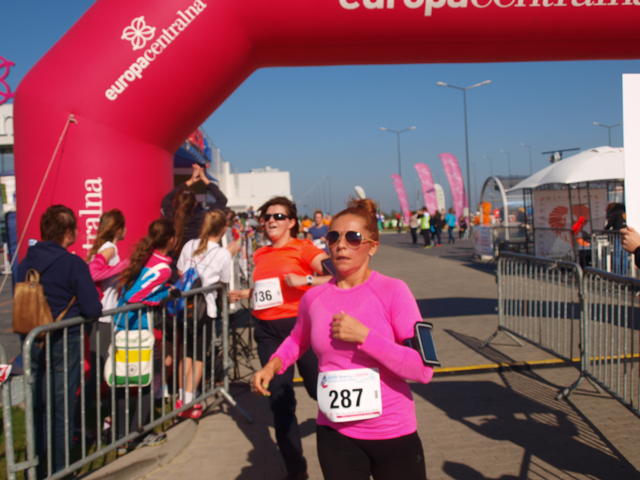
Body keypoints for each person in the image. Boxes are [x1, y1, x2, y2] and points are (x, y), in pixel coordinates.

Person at [252, 197, 434, 480]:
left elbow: (423, 369)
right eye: (333, 237)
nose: (341, 245)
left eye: (353, 237)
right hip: (335, 434)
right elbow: (297, 340)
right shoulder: (314, 298)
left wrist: (365, 337)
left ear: (372, 246)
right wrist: (272, 365)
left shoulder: (394, 291)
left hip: (392, 432)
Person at [229, 196, 330, 480]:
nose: (271, 220)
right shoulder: (261, 254)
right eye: (267, 217)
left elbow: (337, 275)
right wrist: (246, 293)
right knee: (280, 402)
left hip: (301, 329)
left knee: (321, 393)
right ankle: (296, 471)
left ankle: (346, 449)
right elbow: (270, 289)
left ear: (292, 222)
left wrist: (305, 280)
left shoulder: (303, 248)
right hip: (267, 332)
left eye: (279, 216)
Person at [17, 205, 102, 478]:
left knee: (38, 406)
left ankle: (37, 468)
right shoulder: (72, 264)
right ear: (67, 232)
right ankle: (60, 470)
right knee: (61, 408)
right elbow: (92, 308)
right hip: (65, 339)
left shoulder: (25, 263)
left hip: (32, 340)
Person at [114, 218, 178, 451]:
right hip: (137, 331)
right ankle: (136, 434)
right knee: (148, 380)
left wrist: (163, 290)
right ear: (171, 240)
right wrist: (165, 296)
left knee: (125, 380)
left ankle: (121, 436)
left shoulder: (146, 257)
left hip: (124, 327)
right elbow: (135, 296)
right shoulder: (162, 268)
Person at [175, 210, 232, 419]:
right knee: (199, 356)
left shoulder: (189, 245)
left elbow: (180, 271)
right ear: (223, 229)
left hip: (184, 307)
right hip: (205, 309)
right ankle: (189, 400)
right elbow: (225, 281)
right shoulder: (223, 254)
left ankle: (182, 396)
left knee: (186, 353)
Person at [161, 163, 227, 255]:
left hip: (176, 259)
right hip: (197, 257)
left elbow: (167, 199)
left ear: (177, 201)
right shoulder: (204, 216)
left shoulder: (172, 216)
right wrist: (205, 179)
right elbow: (222, 200)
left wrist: (191, 181)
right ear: (195, 203)